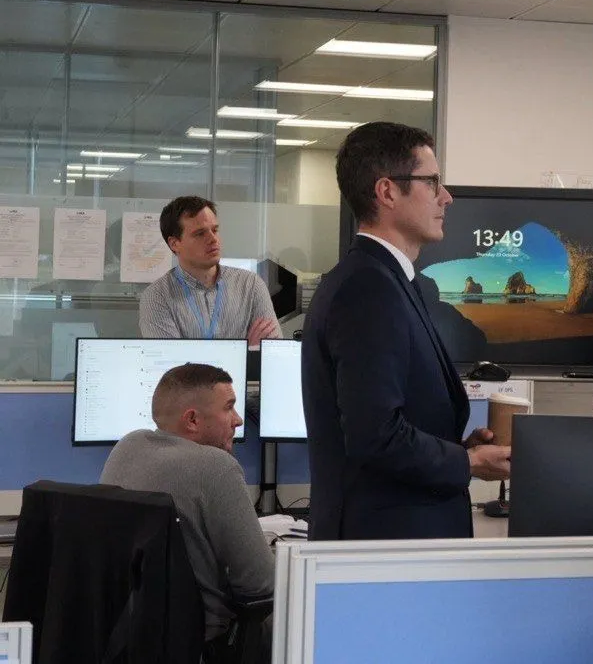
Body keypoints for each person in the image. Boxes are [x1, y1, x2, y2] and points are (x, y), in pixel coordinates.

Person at [302, 122, 510, 541]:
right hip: (383, 545)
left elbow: (393, 420)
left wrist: (459, 450)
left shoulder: (390, 280)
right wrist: (468, 464)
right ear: (387, 192)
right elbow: (375, 435)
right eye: (432, 182)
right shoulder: (368, 288)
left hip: (399, 537)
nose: (446, 197)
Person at [100, 363, 273, 649]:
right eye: (229, 407)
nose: (238, 420)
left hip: (129, 637)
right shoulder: (216, 466)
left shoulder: (126, 447)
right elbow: (261, 584)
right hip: (203, 641)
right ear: (192, 419)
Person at [138, 196, 281, 346]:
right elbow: (169, 358)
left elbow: (273, 350)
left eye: (215, 230)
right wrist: (248, 349)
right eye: (200, 233)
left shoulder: (250, 285)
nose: (213, 239)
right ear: (174, 244)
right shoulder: (157, 297)